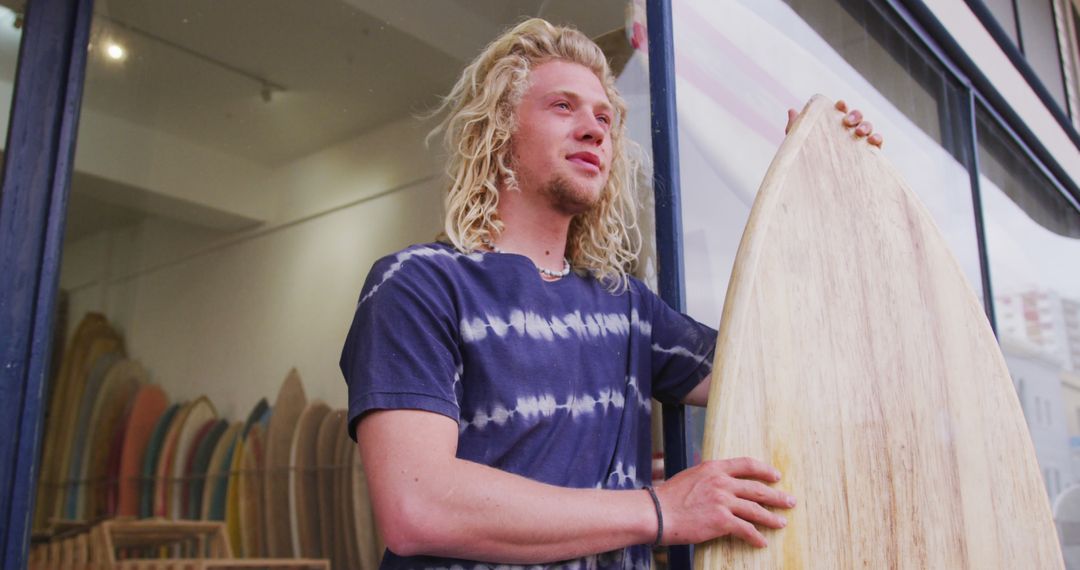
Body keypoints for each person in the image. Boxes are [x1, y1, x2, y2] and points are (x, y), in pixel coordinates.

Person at [339, 18, 882, 570]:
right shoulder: (418, 286)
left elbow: (782, 370)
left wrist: (817, 197)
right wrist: (660, 509)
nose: (594, 129)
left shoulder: (626, 308)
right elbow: (418, 506)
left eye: (604, 118)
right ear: (499, 128)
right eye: (562, 106)